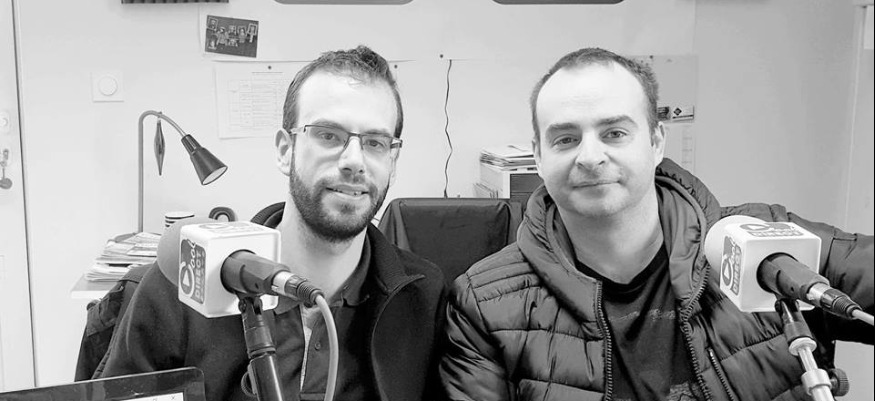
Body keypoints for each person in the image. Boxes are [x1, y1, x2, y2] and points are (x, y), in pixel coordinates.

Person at [440, 47, 874, 401]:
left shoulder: (774, 244)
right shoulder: (485, 303)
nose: (590, 157)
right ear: (538, 156)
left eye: (614, 133)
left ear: (656, 141)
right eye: (566, 139)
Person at [98, 45, 446, 401]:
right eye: (328, 135)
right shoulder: (185, 281)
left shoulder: (423, 297)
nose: (354, 160)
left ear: (392, 162)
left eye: (375, 142)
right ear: (284, 150)